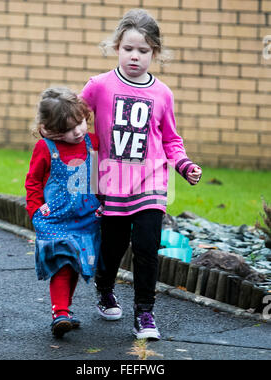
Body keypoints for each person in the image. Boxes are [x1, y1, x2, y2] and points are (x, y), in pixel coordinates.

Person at [80, 8, 202, 341]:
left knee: (147, 246)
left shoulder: (162, 93)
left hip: (151, 182)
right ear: (116, 46)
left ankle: (144, 314)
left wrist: (184, 165)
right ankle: (105, 287)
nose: (135, 56)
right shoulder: (99, 86)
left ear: (155, 53)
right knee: (112, 246)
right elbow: (74, 119)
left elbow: (171, 139)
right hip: (110, 183)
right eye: (128, 48)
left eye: (144, 50)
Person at [25, 87, 102, 338]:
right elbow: (33, 181)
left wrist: (102, 200)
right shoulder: (45, 148)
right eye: (69, 129)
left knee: (76, 262)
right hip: (55, 219)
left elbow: (100, 175)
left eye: (80, 123)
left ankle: (64, 311)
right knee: (62, 264)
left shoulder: (93, 142)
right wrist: (35, 210)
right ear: (52, 129)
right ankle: (59, 312)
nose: (78, 131)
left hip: (86, 217)